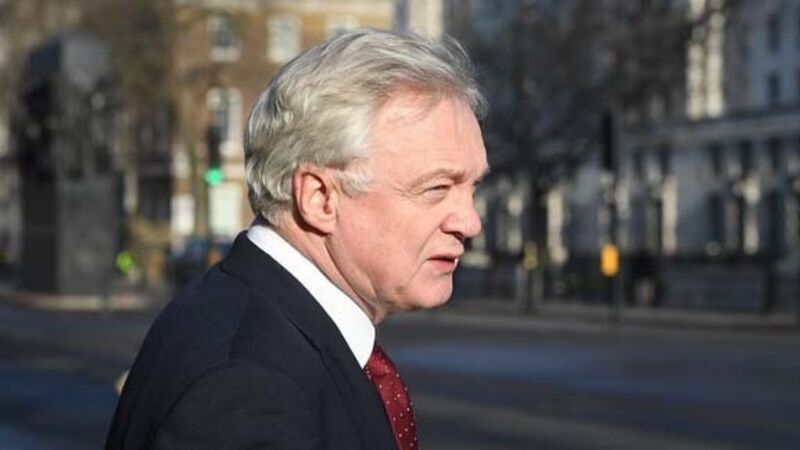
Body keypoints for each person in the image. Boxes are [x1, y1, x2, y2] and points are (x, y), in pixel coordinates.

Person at [106, 28, 488, 450]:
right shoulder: (249, 387)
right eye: (437, 188)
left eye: (472, 188)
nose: (470, 222)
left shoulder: (257, 325)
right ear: (319, 197)